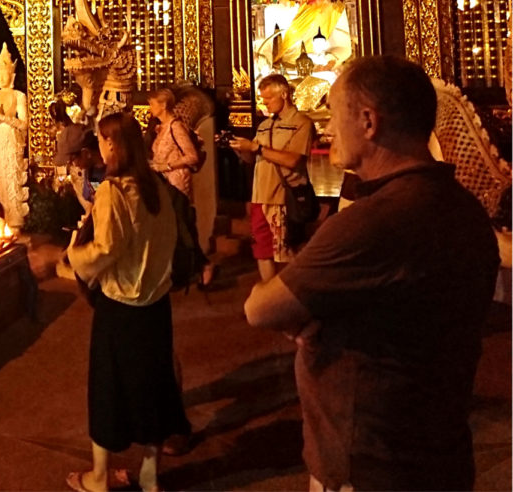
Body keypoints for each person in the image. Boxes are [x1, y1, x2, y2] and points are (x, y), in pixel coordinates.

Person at [244, 56, 499, 492]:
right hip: (441, 451)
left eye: (335, 112)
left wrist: (309, 314)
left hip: (369, 461)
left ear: (367, 121)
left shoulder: (372, 222)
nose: (329, 128)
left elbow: (261, 308)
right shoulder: (463, 209)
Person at [65, 112, 191, 492]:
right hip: (156, 305)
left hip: (120, 307)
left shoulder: (114, 191)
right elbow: (167, 241)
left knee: (109, 389)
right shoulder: (156, 187)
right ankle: (150, 476)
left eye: (103, 140)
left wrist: (72, 257)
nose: (100, 147)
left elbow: (105, 248)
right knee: (154, 384)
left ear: (114, 144)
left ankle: (100, 478)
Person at [229, 74, 313, 282]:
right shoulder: (265, 125)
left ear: (284, 94)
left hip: (282, 197)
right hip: (260, 194)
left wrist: (256, 148)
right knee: (262, 250)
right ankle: (270, 293)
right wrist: (240, 149)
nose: (264, 103)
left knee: (286, 252)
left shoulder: (301, 123)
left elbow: (293, 160)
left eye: (268, 99)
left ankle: (291, 297)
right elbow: (253, 157)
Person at [147, 87, 216, 289]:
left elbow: (192, 156)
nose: (150, 107)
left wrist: (167, 165)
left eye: (152, 103)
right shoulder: (161, 128)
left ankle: (202, 265)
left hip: (176, 184)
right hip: (165, 183)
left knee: (182, 226)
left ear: (162, 105)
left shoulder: (176, 127)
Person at [0, 43, 29, 231]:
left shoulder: (19, 96)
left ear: (11, 75)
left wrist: (4, 117)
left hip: (12, 140)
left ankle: (15, 220)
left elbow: (24, 123)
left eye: (5, 73)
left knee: (12, 179)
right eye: (0, 74)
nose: (2, 77)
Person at [55, 127, 104, 217]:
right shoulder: (89, 172)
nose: (73, 165)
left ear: (86, 153)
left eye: (72, 160)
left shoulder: (113, 169)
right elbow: (92, 203)